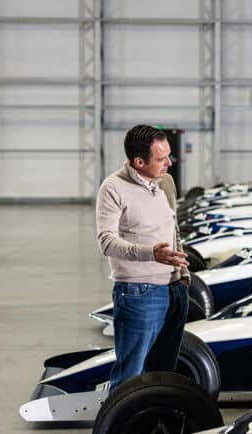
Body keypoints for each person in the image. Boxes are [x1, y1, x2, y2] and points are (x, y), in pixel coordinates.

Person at [96, 124, 191, 392]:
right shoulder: (113, 187)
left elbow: (173, 228)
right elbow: (106, 241)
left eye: (168, 156)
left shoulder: (166, 183)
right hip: (139, 292)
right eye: (161, 159)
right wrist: (152, 254)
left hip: (175, 290)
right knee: (130, 376)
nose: (169, 164)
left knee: (163, 375)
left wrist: (183, 276)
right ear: (139, 162)